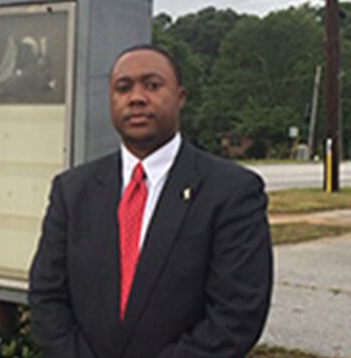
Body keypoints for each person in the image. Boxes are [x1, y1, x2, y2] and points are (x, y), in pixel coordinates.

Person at [28, 45, 273, 357]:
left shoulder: (231, 192)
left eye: (153, 85)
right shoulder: (72, 191)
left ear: (180, 97)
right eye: (123, 87)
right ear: (110, 99)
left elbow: (236, 315)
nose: (137, 97)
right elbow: (47, 296)